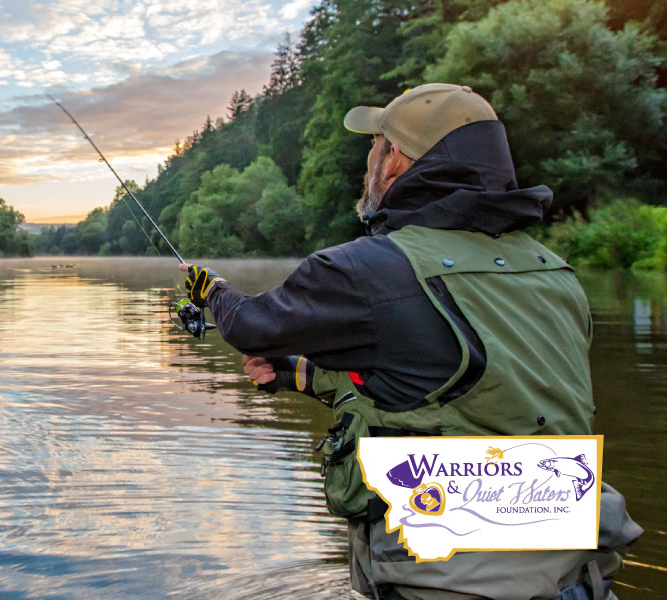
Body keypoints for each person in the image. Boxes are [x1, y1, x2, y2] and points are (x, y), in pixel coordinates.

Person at [178, 83, 641, 600]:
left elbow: (248, 327)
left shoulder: (364, 269)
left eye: (374, 146)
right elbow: (467, 390)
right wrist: (300, 375)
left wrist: (213, 291)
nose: (369, 161)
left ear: (396, 159)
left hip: (446, 585)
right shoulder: (555, 273)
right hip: (576, 580)